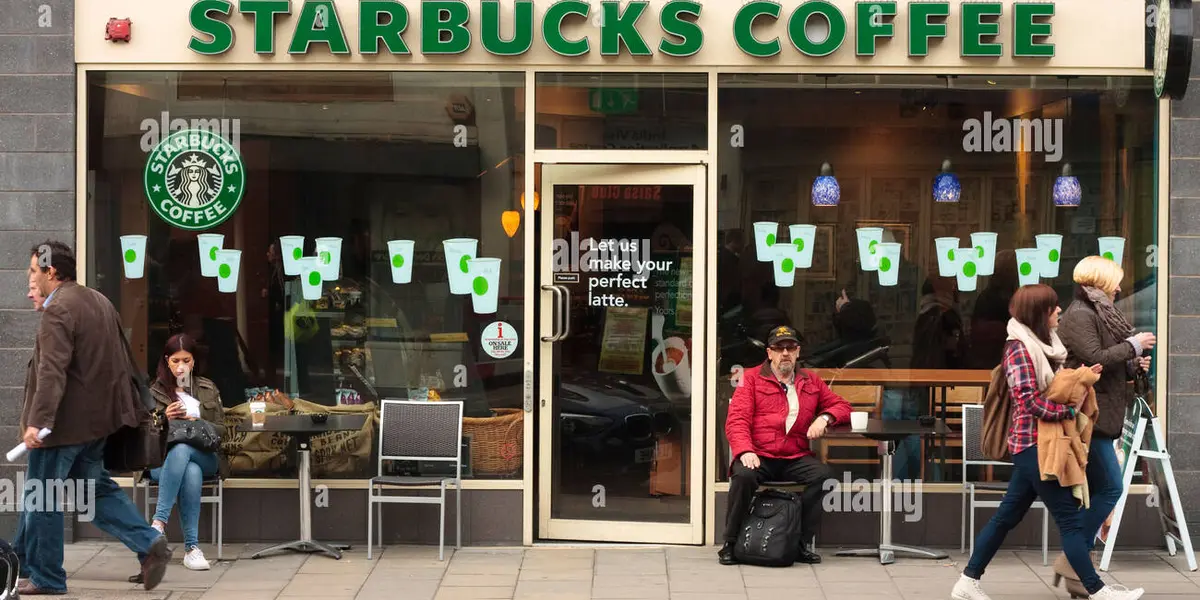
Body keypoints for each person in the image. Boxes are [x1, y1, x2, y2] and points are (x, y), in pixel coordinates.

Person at [951, 284, 1144, 600]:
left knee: (1006, 517)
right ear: (1039, 313)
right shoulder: (1018, 348)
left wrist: (1081, 378)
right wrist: (1069, 410)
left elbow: (1053, 387)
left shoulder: (1046, 345)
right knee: (1069, 520)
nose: (1059, 312)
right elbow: (1028, 400)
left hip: (1038, 445)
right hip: (1034, 445)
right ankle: (1097, 590)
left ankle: (967, 581)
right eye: (1053, 307)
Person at [18, 240, 172, 595]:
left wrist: (37, 422)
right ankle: (149, 543)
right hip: (97, 425)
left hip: (61, 427)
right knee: (93, 490)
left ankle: (46, 577)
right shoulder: (98, 300)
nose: (30, 277)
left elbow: (51, 372)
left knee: (42, 497)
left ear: (50, 271)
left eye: (32, 271)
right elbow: (121, 361)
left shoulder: (59, 310)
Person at [1054, 256, 1157, 595]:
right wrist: (1132, 346)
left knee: (1101, 490)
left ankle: (1076, 568)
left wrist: (1132, 361)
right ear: (1099, 282)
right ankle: (1074, 556)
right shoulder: (1080, 315)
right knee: (1111, 487)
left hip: (1104, 415)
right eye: (1114, 282)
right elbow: (1095, 358)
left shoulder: (1100, 312)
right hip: (1090, 417)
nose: (1118, 289)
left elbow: (1110, 358)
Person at [720, 325, 851, 566]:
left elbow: (842, 406)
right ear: (769, 353)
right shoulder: (749, 378)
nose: (785, 353)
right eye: (779, 349)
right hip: (759, 454)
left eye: (790, 348)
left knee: (823, 476)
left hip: (794, 455)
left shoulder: (810, 381)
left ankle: (798, 543)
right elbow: (736, 420)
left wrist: (825, 418)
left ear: (798, 352)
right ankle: (730, 543)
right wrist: (745, 450)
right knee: (743, 475)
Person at [127, 334, 227, 579]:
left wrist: (197, 422)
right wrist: (163, 419)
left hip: (205, 456)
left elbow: (223, 430)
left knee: (188, 456)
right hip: (163, 459)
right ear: (167, 361)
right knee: (187, 465)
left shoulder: (206, 388)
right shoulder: (154, 391)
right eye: (175, 360)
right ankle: (192, 548)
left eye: (186, 360)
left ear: (194, 361)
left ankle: (158, 523)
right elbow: (140, 432)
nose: (181, 366)